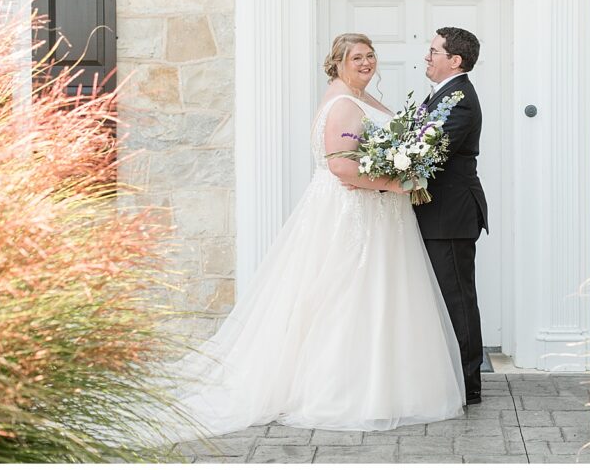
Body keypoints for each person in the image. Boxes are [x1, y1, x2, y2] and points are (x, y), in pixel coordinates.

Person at [143, 33, 465, 442]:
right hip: (353, 214)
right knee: (348, 296)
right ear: (338, 63)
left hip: (375, 214)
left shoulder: (356, 98)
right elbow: (343, 170)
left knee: (372, 296)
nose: (367, 63)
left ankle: (383, 385)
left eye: (370, 56)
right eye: (357, 58)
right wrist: (397, 183)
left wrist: (404, 168)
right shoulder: (345, 104)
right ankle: (341, 391)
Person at [414, 27, 489, 407]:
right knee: (443, 299)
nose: (427, 57)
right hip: (436, 214)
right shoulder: (445, 94)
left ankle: (467, 383)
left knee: (456, 299)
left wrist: (381, 178)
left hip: (450, 215)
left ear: (454, 60)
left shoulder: (459, 99)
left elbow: (430, 157)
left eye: (433, 51)